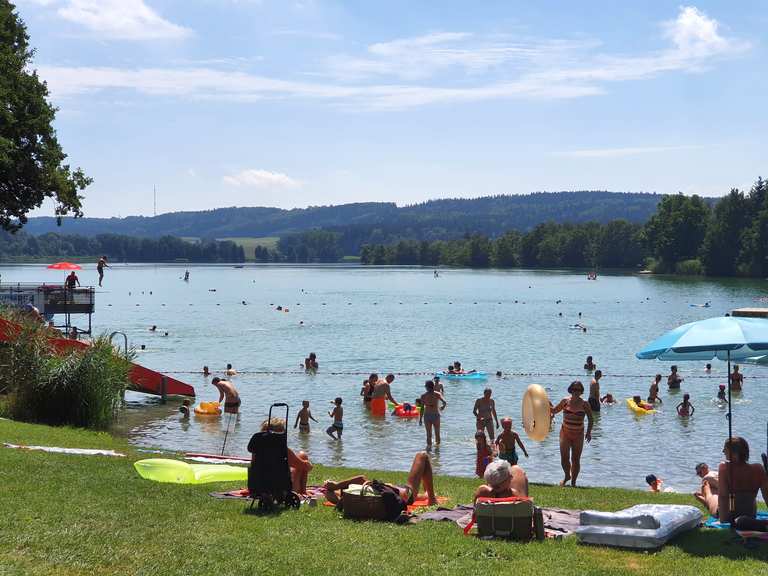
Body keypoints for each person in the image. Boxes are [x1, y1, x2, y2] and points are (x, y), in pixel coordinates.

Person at [323, 451, 438, 506]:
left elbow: (330, 494)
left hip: (397, 496)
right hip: (405, 496)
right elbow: (361, 478)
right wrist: (336, 485)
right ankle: (432, 499)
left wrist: (332, 489)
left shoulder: (350, 502)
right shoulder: (360, 491)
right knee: (422, 456)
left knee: (400, 488)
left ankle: (427, 495)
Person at [701, 437, 768, 522]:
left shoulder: (724, 467)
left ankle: (706, 492)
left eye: (725, 449)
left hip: (730, 513)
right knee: (716, 490)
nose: (723, 451)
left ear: (732, 452)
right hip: (750, 513)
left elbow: (723, 496)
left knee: (711, 497)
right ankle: (706, 493)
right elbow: (766, 494)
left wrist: (723, 519)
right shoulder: (758, 468)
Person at [551, 381, 594, 487]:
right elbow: (554, 411)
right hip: (565, 433)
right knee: (564, 459)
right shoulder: (565, 401)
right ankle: (567, 476)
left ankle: (573, 483)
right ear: (570, 390)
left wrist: (589, 432)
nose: (576, 391)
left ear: (581, 391)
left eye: (578, 389)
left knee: (575, 459)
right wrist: (544, 403)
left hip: (578, 434)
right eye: (574, 389)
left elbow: (591, 419)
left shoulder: (584, 403)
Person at [259, 418, 312, 495]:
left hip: (261, 487)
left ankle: (302, 490)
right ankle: (303, 491)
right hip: (284, 489)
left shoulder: (257, 449)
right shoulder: (283, 450)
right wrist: (308, 464)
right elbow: (305, 466)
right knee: (302, 455)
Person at [419, 380, 447, 447]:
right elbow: (444, 402)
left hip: (428, 415)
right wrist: (443, 407)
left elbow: (422, 408)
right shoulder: (436, 394)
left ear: (427, 387)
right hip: (434, 415)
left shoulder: (424, 396)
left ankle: (429, 449)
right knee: (436, 433)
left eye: (426, 386)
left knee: (429, 434)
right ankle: (437, 449)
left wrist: (420, 419)